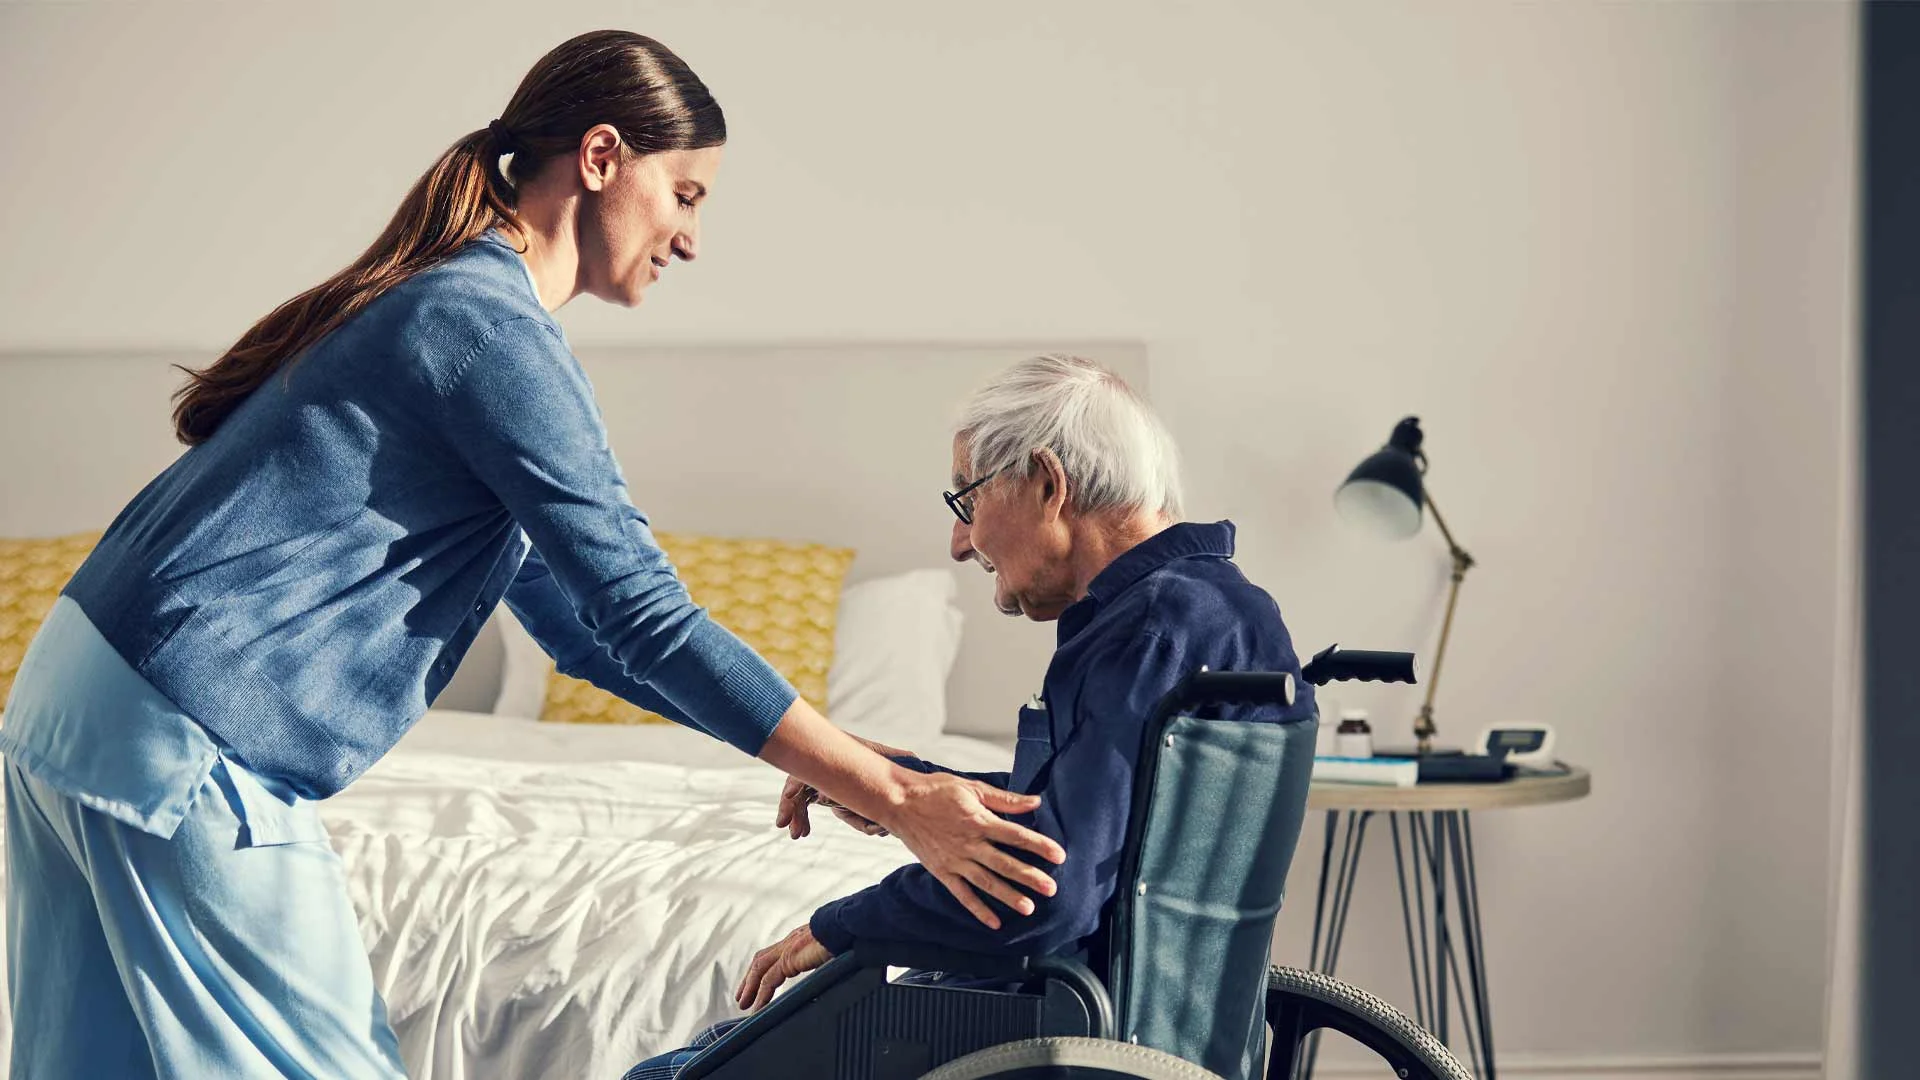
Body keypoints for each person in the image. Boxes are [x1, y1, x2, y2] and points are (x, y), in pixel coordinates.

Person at [0, 31, 1062, 1080]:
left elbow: (597, 639)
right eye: (686, 195)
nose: (691, 238)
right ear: (602, 160)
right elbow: (646, 614)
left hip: (69, 709)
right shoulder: (487, 327)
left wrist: (829, 754)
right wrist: (893, 795)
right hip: (181, 744)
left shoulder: (446, 307)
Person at [625, 354, 1316, 1079]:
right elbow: (1109, 815)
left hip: (1047, 1031)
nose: (960, 542)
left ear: (1048, 484)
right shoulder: (1219, 609)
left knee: (674, 1073)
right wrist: (894, 783)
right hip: (1107, 1016)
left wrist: (840, 927)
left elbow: (1045, 890)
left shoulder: (1151, 628)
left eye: (967, 500)